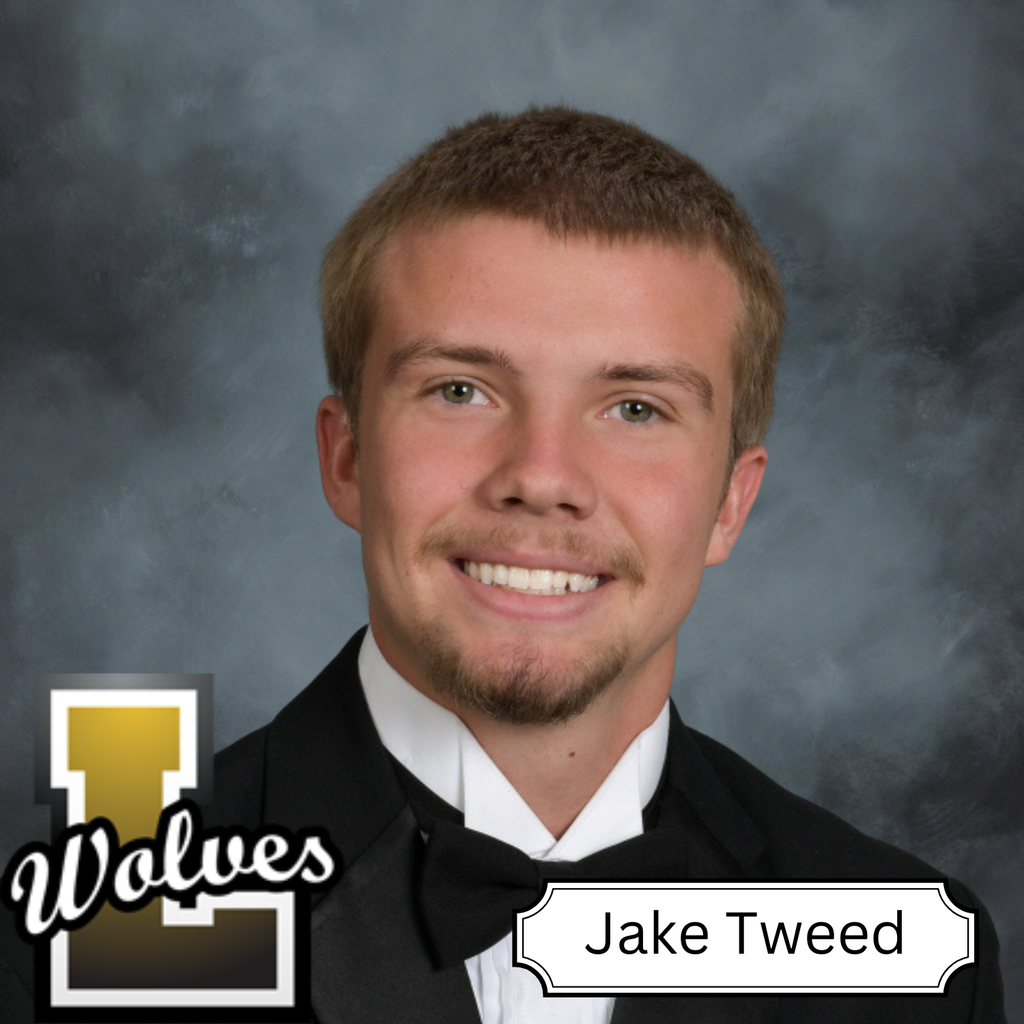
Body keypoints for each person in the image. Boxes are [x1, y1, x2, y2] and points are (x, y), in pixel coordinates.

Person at [0, 107, 1005, 1023]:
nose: (541, 476)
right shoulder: (82, 927)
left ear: (729, 504)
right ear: (346, 459)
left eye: (636, 408)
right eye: (461, 391)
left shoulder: (903, 957)